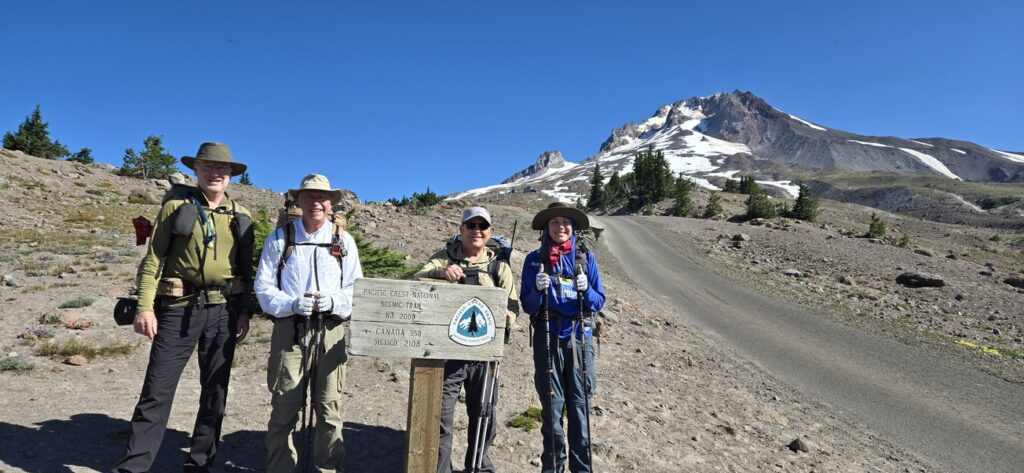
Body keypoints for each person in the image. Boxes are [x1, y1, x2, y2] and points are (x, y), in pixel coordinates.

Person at [113, 142, 255, 473]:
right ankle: (133, 467)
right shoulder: (176, 206)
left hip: (224, 310)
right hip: (178, 308)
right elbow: (153, 260)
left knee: (215, 392)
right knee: (157, 390)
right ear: (196, 170)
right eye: (208, 166)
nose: (215, 173)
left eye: (222, 168)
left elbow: (246, 270)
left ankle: (200, 464)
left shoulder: (242, 215)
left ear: (230, 175)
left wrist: (245, 311)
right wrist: (144, 307)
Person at [255, 174, 362, 473]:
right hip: (289, 330)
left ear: (331, 203)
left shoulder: (343, 241)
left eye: (322, 197)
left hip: (331, 331)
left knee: (329, 408)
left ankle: (328, 469)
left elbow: (356, 288)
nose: (316, 203)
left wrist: (333, 302)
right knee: (284, 409)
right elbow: (263, 287)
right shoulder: (280, 238)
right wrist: (291, 304)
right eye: (309, 196)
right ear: (299, 200)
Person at [414, 207, 520, 473]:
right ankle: (441, 468)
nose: (477, 231)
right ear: (461, 229)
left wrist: (505, 317)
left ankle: (479, 466)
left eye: (482, 226)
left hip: (485, 356)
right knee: (441, 416)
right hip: (448, 355)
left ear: (490, 232)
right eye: (471, 225)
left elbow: (513, 306)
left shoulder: (499, 266)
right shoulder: (444, 258)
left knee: (484, 414)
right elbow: (416, 280)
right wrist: (442, 272)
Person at [520, 202, 605, 473]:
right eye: (555, 222)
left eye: (566, 222)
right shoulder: (534, 260)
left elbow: (598, 301)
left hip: (580, 338)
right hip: (547, 336)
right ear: (547, 227)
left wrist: (587, 290)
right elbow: (528, 305)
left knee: (580, 407)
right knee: (552, 408)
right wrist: (536, 290)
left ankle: (582, 469)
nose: (561, 227)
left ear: (574, 228)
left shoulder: (585, 259)